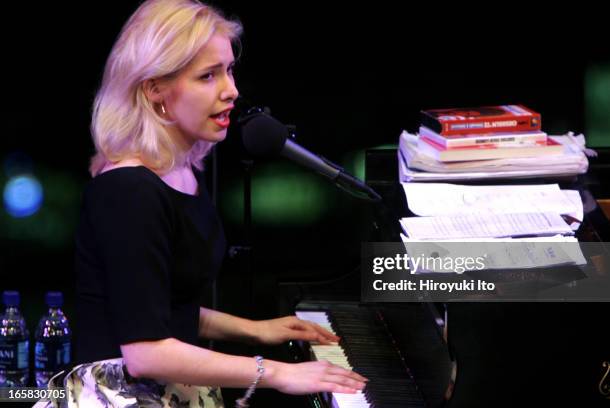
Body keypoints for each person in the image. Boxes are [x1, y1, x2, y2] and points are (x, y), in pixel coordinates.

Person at [43, 0, 367, 406]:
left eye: (228, 70)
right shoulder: (129, 191)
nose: (231, 91)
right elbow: (146, 354)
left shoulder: (178, 173)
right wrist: (280, 373)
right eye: (208, 76)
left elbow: (162, 305)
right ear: (154, 89)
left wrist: (254, 330)